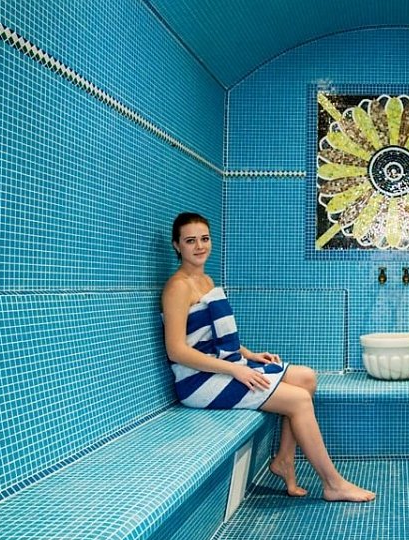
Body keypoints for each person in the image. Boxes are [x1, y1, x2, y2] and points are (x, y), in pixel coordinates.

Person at [161, 212, 375, 502]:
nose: (199, 246)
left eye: (204, 239)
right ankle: (333, 484)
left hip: (223, 366)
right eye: (190, 241)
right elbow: (177, 350)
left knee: (306, 378)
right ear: (177, 245)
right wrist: (236, 370)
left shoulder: (205, 280)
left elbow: (209, 336)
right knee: (299, 400)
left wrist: (248, 354)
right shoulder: (178, 287)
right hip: (198, 382)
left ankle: (284, 459)